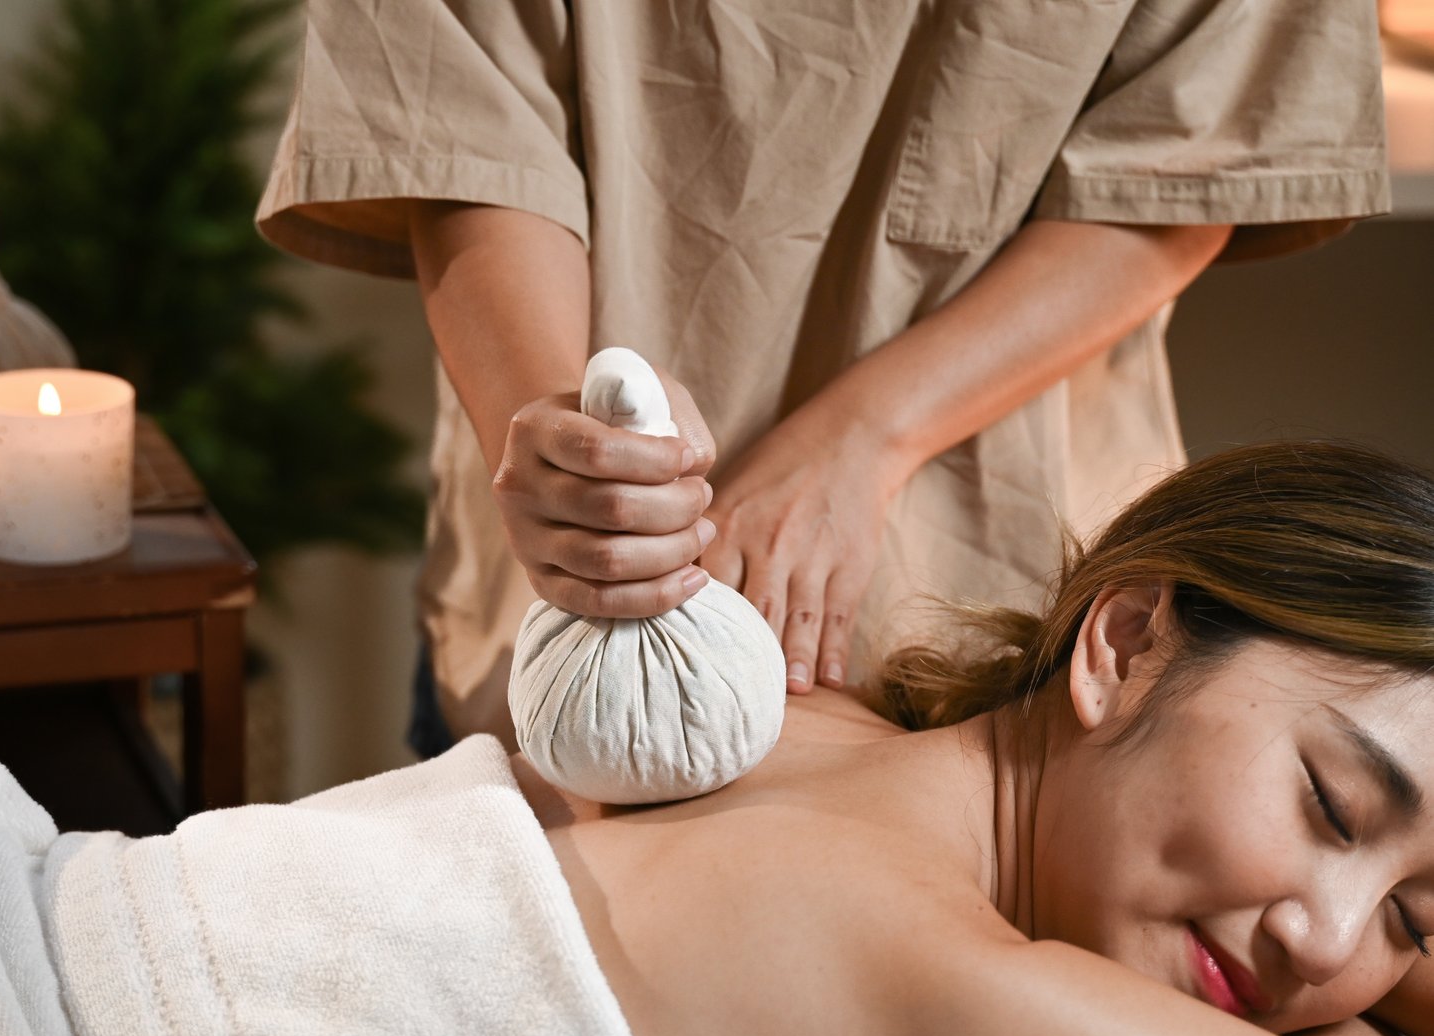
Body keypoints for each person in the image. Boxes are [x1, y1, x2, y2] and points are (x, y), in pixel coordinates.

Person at [0, 441, 1433, 1036]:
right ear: (1128, 641)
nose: (1325, 940)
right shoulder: (923, 965)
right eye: (1334, 804)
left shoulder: (799, 724)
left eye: (1417, 924)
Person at [256, 0, 1391, 756]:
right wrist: (567, 439)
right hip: (571, 637)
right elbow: (457, 112)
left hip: (998, 607)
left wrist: (870, 434)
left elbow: (1195, 155)